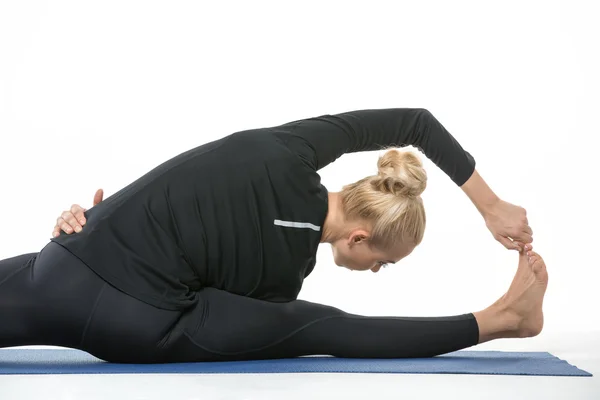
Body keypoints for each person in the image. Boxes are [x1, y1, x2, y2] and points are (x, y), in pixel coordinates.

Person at [0, 108, 547, 364]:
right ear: (358, 238)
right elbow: (250, 316)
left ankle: (504, 316)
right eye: (385, 261)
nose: (377, 271)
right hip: (134, 322)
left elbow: (418, 122)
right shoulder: (286, 277)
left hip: (63, 260)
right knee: (317, 326)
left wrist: (490, 206)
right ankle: (498, 319)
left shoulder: (291, 148)